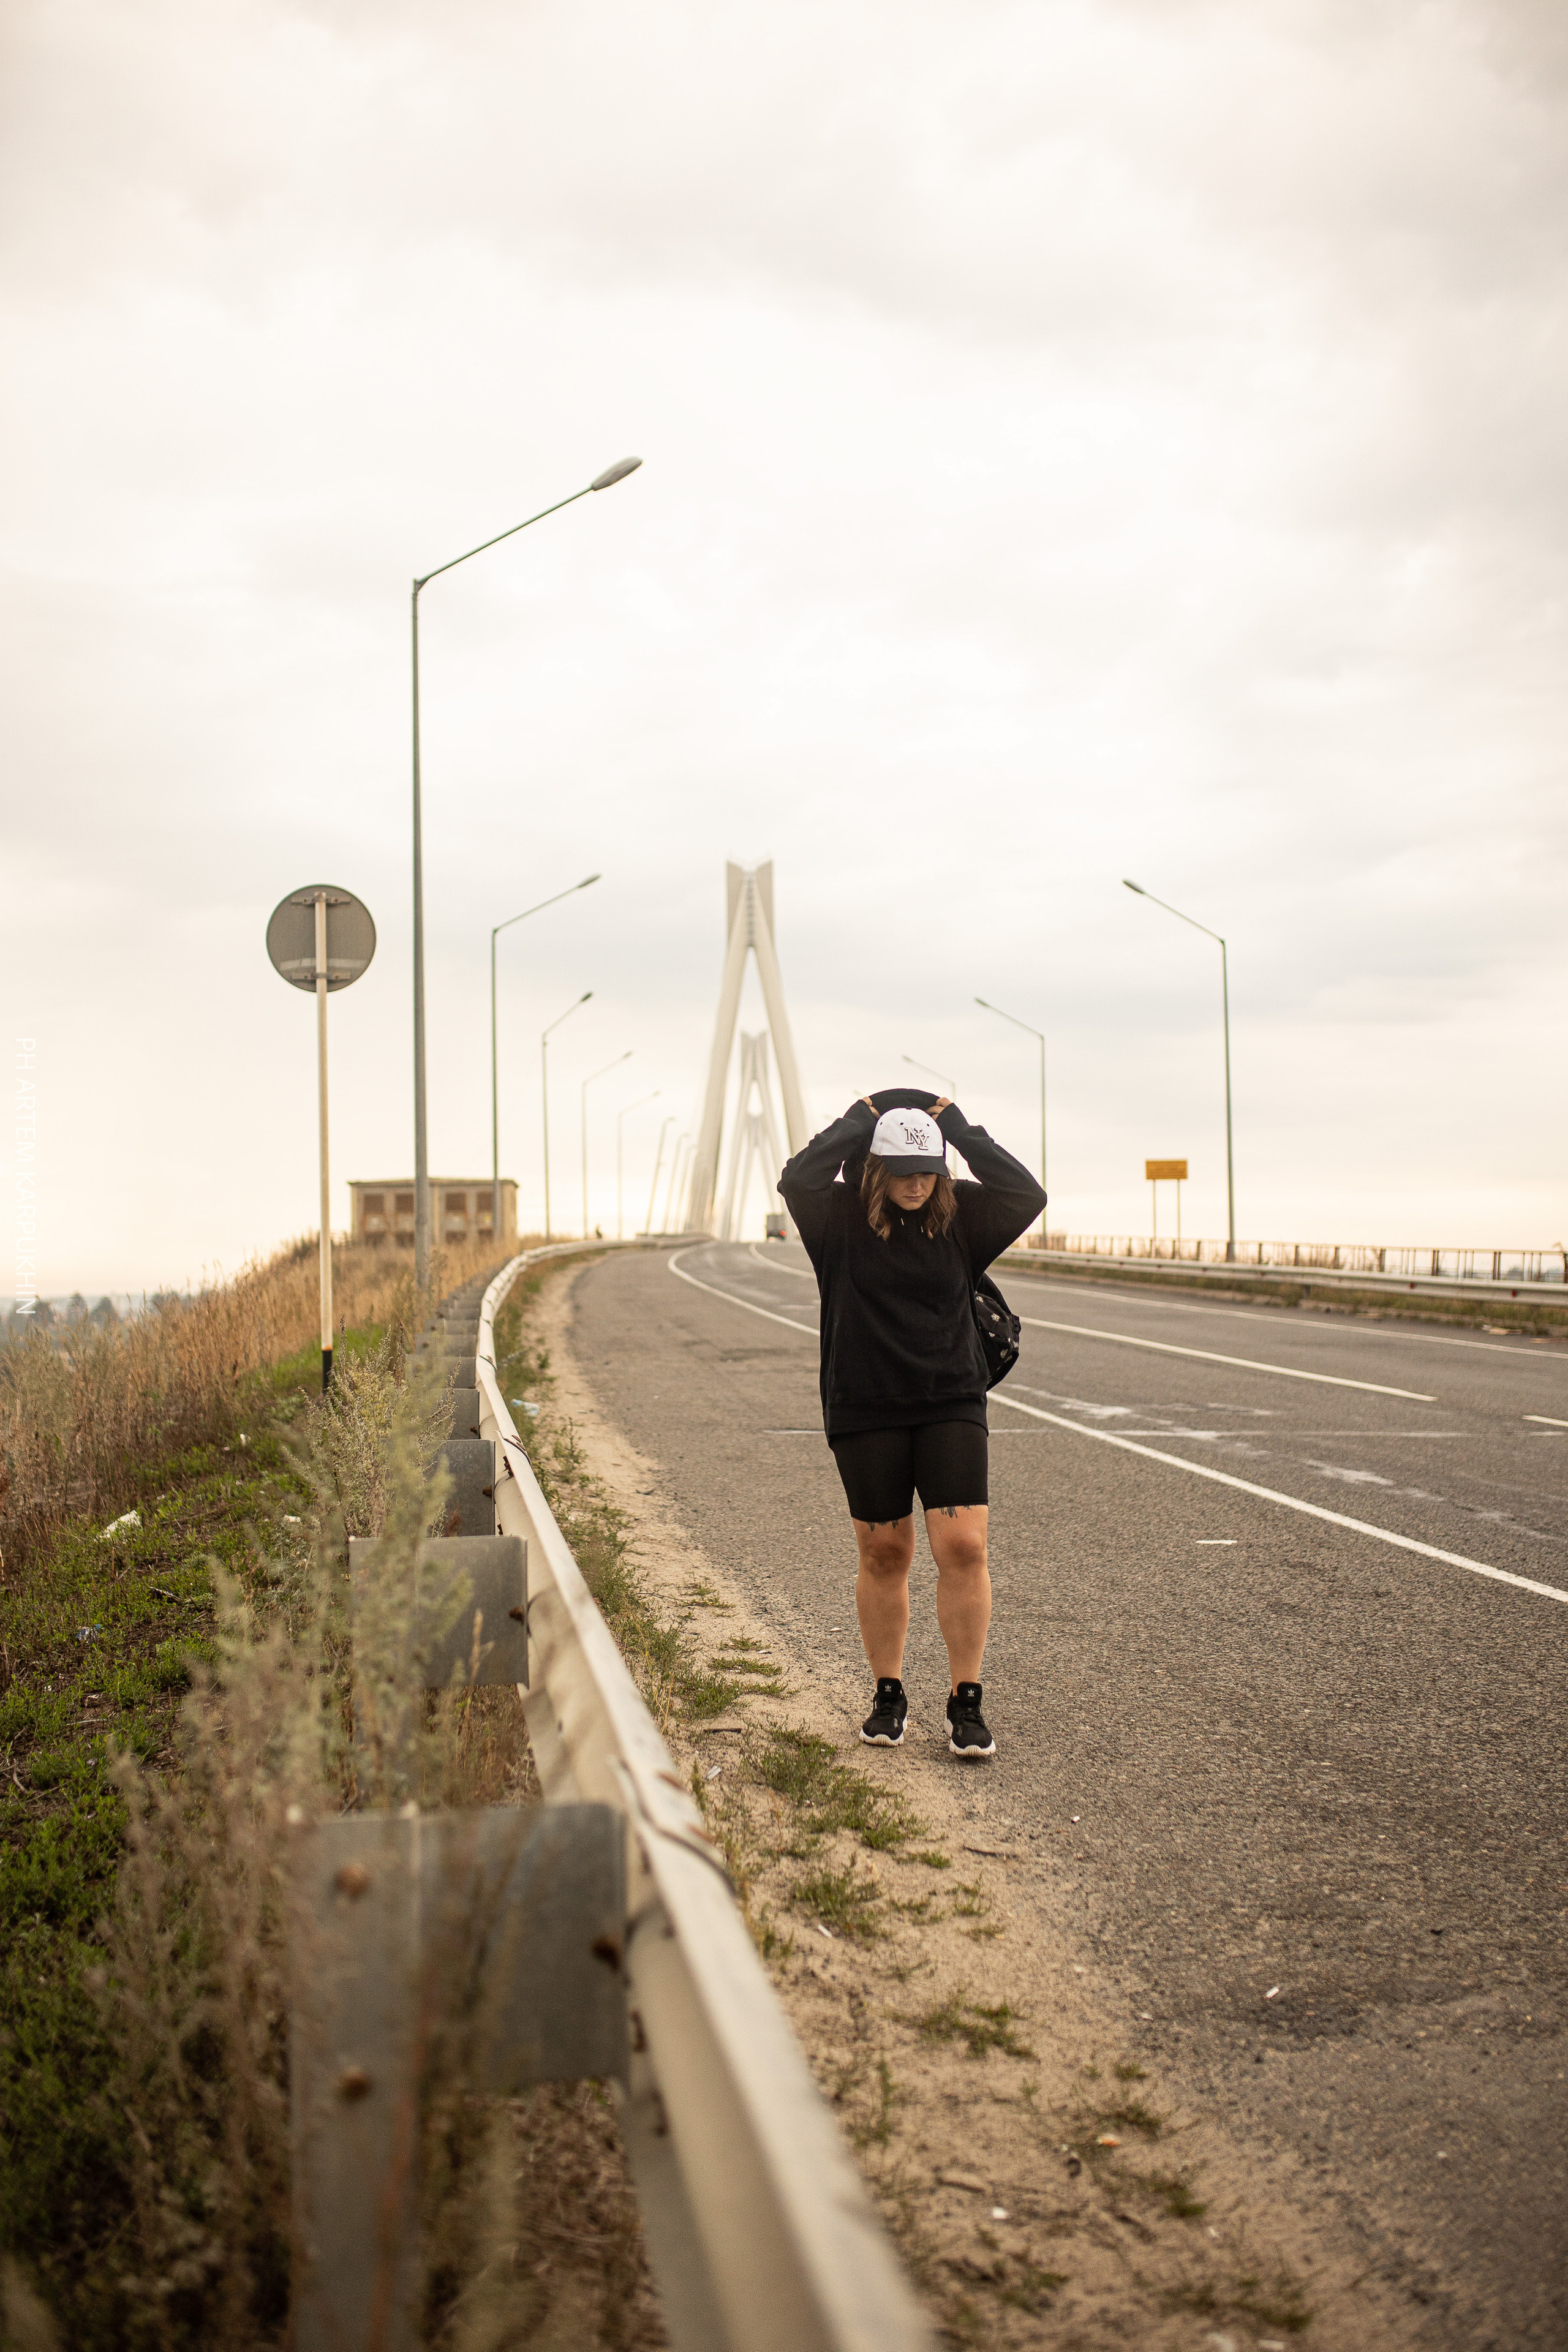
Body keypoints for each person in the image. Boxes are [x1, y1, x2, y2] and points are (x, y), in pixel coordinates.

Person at [778, 1093, 1046, 1757]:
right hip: (865, 1404)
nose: (916, 1182)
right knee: (885, 1552)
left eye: (926, 1168)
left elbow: (1025, 1191)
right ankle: (888, 1695)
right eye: (900, 1169)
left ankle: (965, 1700)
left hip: (950, 1398)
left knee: (962, 1547)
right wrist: (861, 1117)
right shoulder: (834, 1220)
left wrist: (953, 1123)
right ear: (873, 1169)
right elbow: (797, 1177)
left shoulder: (961, 1219)